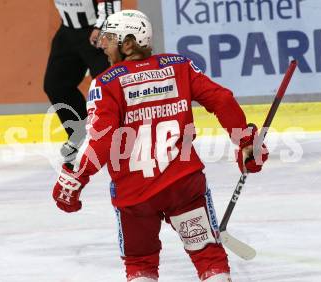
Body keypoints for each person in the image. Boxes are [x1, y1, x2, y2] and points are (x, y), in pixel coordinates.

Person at [52, 10, 269, 282]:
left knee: (140, 264)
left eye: (109, 38)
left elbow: (102, 139)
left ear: (128, 44)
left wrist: (76, 177)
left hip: (135, 195)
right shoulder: (179, 66)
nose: (103, 45)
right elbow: (222, 99)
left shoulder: (106, 83)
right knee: (208, 257)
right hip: (183, 185)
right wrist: (246, 142)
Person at [44, 0, 121, 158]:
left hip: (97, 31)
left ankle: (121, 137)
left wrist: (102, 27)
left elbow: (111, 3)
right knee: (55, 85)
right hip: (68, 30)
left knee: (108, 87)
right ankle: (79, 132)